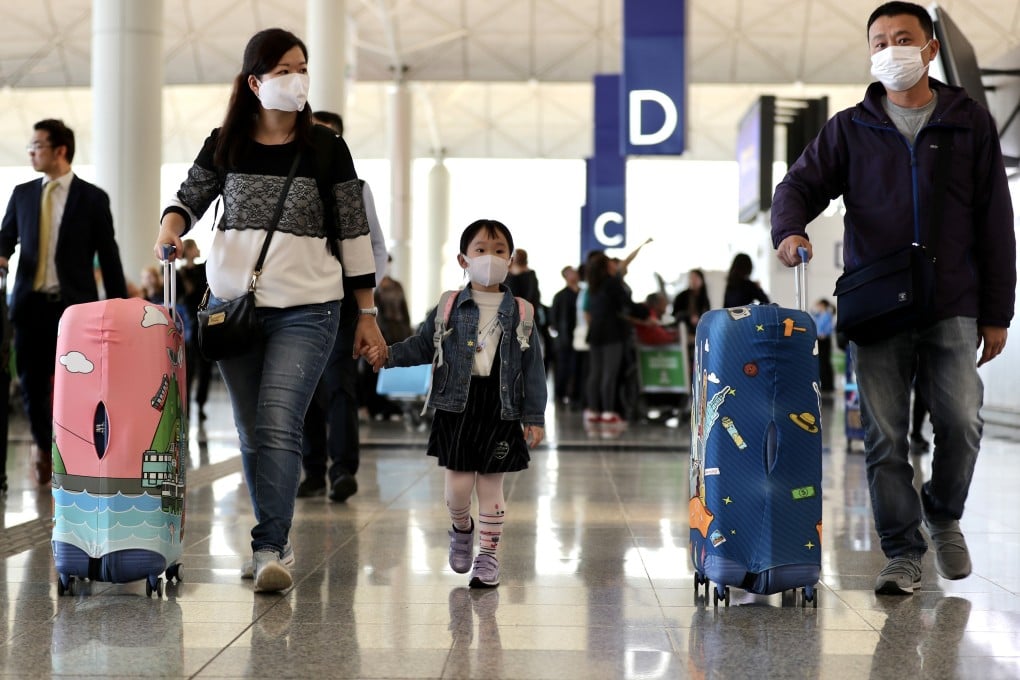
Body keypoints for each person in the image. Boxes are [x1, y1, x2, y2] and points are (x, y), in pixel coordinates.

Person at [771, 2, 1015, 596]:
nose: (890, 50)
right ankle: (903, 552)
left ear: (930, 48)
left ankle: (943, 514)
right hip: (876, 304)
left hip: (952, 301)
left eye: (902, 38)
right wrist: (790, 229)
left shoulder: (969, 121)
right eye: (879, 42)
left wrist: (997, 312)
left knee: (962, 423)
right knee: (884, 438)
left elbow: (995, 222)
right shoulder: (850, 128)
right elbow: (798, 185)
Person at [153, 28, 386, 593]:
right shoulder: (225, 142)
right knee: (252, 431)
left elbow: (353, 233)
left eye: (302, 68)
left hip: (308, 309)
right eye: (283, 70)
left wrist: (367, 312)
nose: (296, 79)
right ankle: (273, 537)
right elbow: (188, 198)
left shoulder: (327, 148)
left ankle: (269, 546)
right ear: (255, 82)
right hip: (233, 311)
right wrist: (170, 229)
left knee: (279, 422)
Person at [367, 219, 547, 589]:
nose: (490, 258)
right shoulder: (449, 305)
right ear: (463, 259)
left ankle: (488, 556)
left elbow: (533, 368)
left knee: (491, 488)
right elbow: (423, 345)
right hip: (456, 405)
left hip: (500, 407)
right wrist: (388, 355)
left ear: (510, 259)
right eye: (481, 250)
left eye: (499, 251)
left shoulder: (522, 312)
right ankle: (461, 529)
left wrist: (535, 416)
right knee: (457, 491)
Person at [0, 118, 128, 486]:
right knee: (31, 383)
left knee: (79, 385)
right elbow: (6, 237)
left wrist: (119, 308)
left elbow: (109, 256)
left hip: (74, 311)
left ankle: (73, 452)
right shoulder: (22, 194)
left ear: (60, 150)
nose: (31, 152)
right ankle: (44, 446)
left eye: (37, 145)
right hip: (29, 305)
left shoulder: (92, 198)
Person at [296, 109, 389, 503]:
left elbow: (376, 246)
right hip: (300, 301)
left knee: (339, 385)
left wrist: (365, 298)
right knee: (305, 387)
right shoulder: (294, 184)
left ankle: (342, 470)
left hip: (343, 303)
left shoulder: (357, 187)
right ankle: (313, 470)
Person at [177, 239, 214, 422]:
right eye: (195, 248)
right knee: (189, 368)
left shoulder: (202, 270)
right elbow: (182, 297)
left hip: (204, 323)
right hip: (189, 324)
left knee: (205, 367)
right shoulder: (179, 274)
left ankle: (200, 404)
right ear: (189, 250)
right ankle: (187, 407)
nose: (198, 250)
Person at [549, 265, 580, 406]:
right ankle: (560, 395)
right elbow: (554, 319)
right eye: (571, 273)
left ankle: (575, 395)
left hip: (580, 337)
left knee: (577, 367)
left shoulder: (582, 293)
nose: (575, 274)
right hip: (564, 339)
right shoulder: (560, 296)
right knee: (563, 368)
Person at [811, 298, 835, 392]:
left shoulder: (827, 315)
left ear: (823, 305)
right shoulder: (819, 315)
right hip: (819, 340)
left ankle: (828, 386)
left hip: (824, 340)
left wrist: (824, 334)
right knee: (821, 362)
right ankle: (824, 384)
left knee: (825, 362)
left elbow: (829, 327)